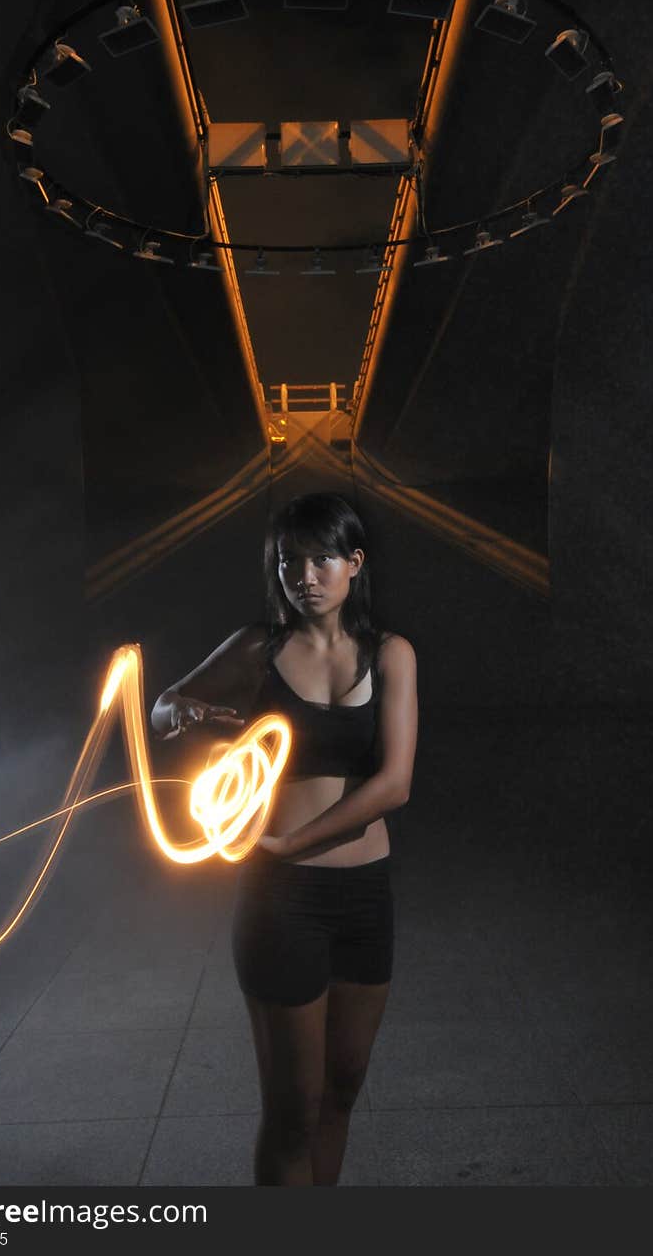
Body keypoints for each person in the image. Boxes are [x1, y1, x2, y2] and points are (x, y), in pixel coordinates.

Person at [151, 491, 418, 1186]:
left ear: (354, 563)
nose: (304, 574)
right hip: (283, 900)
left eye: (322, 557)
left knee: (343, 1090)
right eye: (288, 560)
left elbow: (393, 784)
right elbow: (158, 706)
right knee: (292, 1109)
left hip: (363, 898)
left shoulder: (391, 654)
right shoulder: (257, 649)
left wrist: (290, 839)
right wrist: (180, 708)